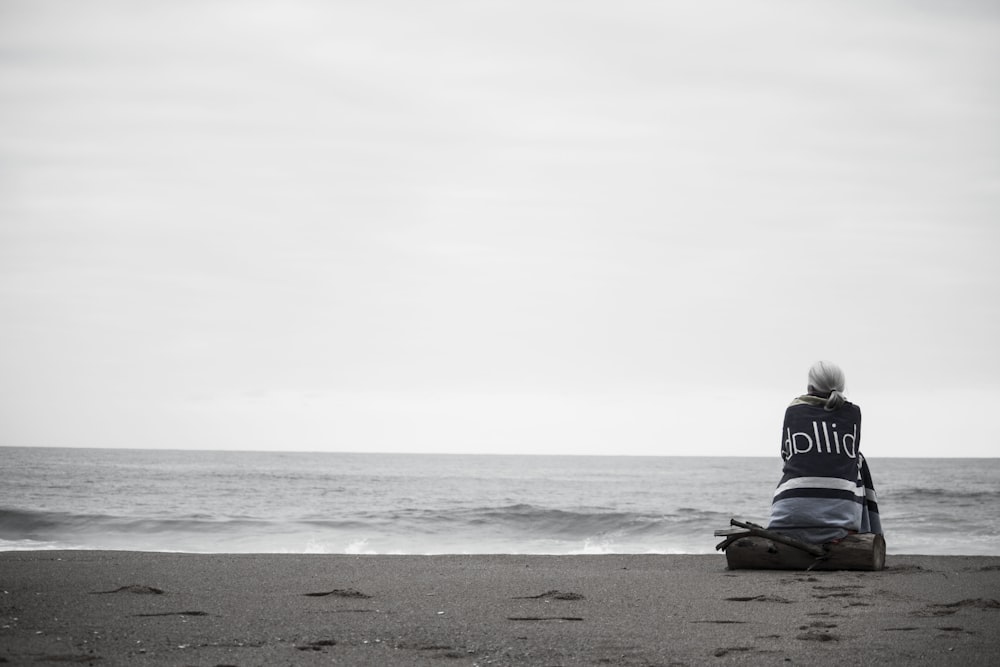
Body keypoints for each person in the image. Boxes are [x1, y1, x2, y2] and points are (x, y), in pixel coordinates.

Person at [767, 361, 883, 544]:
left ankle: (796, 515)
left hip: (785, 519)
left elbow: (785, 455)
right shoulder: (853, 413)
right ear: (842, 387)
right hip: (839, 524)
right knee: (858, 461)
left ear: (809, 386)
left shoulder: (793, 410)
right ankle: (865, 531)